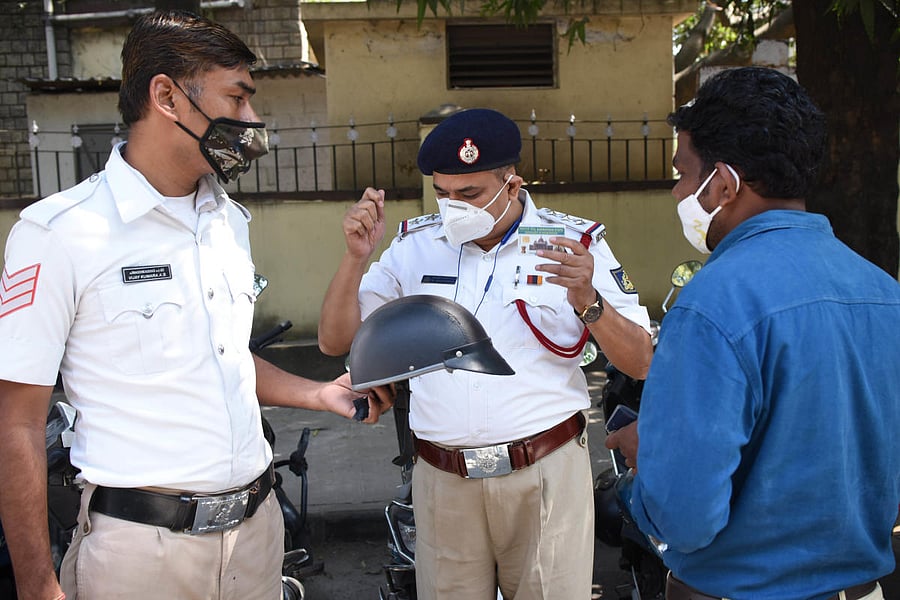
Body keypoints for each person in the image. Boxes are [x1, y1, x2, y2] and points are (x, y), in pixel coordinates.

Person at [0, 10, 390, 600]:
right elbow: (18, 424)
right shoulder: (59, 232)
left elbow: (223, 359)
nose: (252, 121)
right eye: (237, 98)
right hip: (141, 555)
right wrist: (37, 586)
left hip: (256, 539)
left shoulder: (226, 221)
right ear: (166, 96)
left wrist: (315, 392)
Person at [318, 107, 654, 599]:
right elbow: (334, 341)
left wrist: (589, 301)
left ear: (512, 185)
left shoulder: (571, 244)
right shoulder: (416, 246)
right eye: (443, 193)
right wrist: (355, 257)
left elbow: (641, 360)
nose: (454, 207)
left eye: (470, 194)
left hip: (544, 475)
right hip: (443, 479)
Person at [605, 66, 900, 600]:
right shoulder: (882, 291)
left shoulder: (712, 304)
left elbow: (684, 517)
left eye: (682, 173)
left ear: (723, 183)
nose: (676, 190)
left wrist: (649, 461)